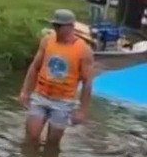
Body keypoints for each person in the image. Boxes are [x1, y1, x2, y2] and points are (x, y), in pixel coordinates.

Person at [19, 9, 94, 148]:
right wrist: (25, 91)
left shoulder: (83, 50)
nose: (56, 29)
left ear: (71, 27)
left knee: (52, 144)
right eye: (55, 25)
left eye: (60, 26)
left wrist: (82, 110)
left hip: (63, 101)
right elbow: (34, 67)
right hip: (41, 95)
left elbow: (87, 82)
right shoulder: (47, 41)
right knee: (31, 136)